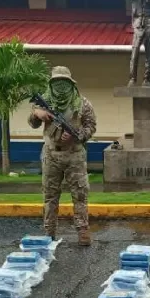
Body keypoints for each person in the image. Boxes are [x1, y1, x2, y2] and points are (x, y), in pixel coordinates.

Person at [27, 66, 98, 246]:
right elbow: (33, 123)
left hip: (74, 155)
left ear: (70, 83)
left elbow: (91, 126)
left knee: (80, 194)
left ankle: (82, 231)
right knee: (50, 195)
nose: (60, 86)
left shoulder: (81, 103)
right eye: (56, 82)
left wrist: (77, 135)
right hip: (51, 154)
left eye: (64, 82)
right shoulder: (44, 102)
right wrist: (37, 113)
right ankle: (49, 232)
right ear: (51, 83)